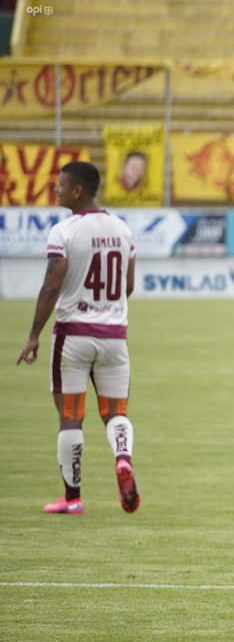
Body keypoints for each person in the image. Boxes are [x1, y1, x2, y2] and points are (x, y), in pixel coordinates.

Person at [17, 161, 140, 515]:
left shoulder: (65, 231)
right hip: (115, 338)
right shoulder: (122, 229)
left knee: (70, 416)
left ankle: (72, 498)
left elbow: (52, 284)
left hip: (73, 335)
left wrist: (33, 335)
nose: (56, 189)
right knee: (116, 411)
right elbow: (127, 286)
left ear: (77, 191)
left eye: (60, 185)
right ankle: (122, 458)